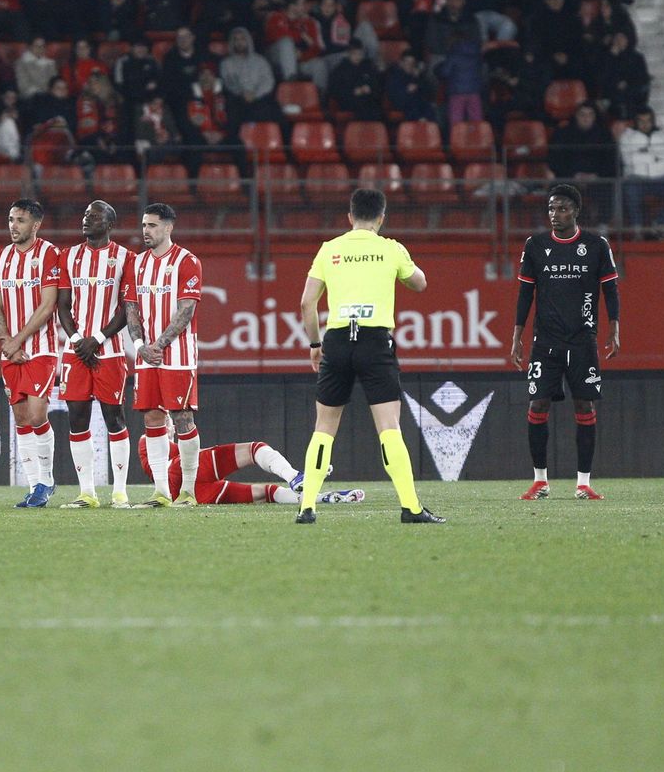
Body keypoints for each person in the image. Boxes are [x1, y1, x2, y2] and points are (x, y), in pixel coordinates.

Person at [295, 187, 441, 525]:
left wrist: (315, 345)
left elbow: (306, 303)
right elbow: (420, 283)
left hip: (337, 340)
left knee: (324, 427)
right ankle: (411, 508)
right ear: (381, 217)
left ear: (349, 217)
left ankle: (307, 507)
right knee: (389, 428)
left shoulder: (330, 249)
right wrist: (401, 265)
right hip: (375, 340)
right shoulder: (390, 249)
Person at [509, 184, 621, 501]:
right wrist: (517, 336)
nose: (555, 215)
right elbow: (525, 293)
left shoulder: (596, 245)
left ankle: (583, 483)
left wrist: (614, 326)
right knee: (537, 404)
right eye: (551, 209)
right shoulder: (536, 245)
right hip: (545, 342)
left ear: (576, 211)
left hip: (583, 340)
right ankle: (540, 480)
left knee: (584, 405)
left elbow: (610, 289)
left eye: (561, 209)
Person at [122, 202, 203, 507]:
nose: (146, 231)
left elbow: (187, 310)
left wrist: (160, 345)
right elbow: (131, 308)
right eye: (144, 225)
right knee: (152, 417)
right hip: (146, 355)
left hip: (178, 355)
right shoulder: (136, 263)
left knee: (183, 418)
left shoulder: (187, 261)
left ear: (168, 228)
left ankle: (189, 491)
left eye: (152, 225)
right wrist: (140, 344)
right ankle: (161, 492)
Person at [56, 200, 136, 508]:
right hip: (75, 351)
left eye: (95, 215)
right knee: (77, 419)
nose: (87, 219)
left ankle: (119, 492)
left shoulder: (125, 258)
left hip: (110, 352)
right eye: (86, 214)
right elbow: (63, 304)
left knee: (114, 418)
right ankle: (86, 492)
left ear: (110, 224)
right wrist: (78, 339)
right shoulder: (69, 256)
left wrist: (98, 338)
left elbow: (126, 307)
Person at [0, 199, 63, 508]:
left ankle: (47, 481)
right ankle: (35, 487)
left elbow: (48, 305)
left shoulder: (49, 254)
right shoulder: (2, 257)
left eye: (20, 220)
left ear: (35, 225)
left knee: (37, 414)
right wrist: (7, 339)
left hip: (42, 349)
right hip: (12, 349)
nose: (13, 225)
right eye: (10, 219)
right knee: (20, 417)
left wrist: (18, 340)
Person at [139, 428, 364, 506]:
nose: (169, 424)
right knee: (255, 448)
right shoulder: (146, 440)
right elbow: (176, 457)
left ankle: (324, 498)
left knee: (266, 493)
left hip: (196, 493)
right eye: (166, 419)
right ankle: (295, 476)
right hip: (184, 474)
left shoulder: (156, 445)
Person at [619, 107, 664, 237]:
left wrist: (642, 152)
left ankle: (660, 222)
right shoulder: (627, 136)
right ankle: (637, 227)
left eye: (648, 120)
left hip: (662, 178)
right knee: (629, 190)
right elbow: (629, 159)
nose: (645, 124)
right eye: (641, 121)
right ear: (636, 122)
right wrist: (656, 155)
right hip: (637, 178)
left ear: (653, 121)